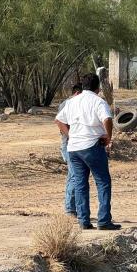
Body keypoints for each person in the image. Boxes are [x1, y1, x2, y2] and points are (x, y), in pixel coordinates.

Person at [55, 74, 121, 230]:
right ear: (98, 88)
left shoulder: (71, 102)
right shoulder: (98, 101)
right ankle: (104, 220)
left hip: (74, 149)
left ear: (82, 86)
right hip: (92, 146)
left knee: (80, 184)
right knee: (103, 182)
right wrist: (108, 137)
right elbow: (107, 119)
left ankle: (84, 221)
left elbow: (58, 120)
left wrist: (70, 135)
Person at [58, 82, 82, 217]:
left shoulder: (72, 103)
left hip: (74, 144)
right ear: (77, 93)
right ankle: (70, 209)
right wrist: (72, 136)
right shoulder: (68, 104)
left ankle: (72, 207)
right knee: (74, 176)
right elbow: (60, 123)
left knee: (72, 175)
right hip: (69, 145)